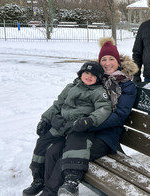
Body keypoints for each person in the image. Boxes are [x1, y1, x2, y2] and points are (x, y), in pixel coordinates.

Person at [35, 37, 139, 196]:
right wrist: (53, 118)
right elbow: (69, 99)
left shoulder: (126, 85)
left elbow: (119, 116)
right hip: (78, 131)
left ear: (119, 61)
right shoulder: (93, 77)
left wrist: (87, 123)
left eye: (111, 59)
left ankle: (49, 193)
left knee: (65, 157)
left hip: (104, 135)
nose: (107, 63)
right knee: (52, 151)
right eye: (103, 59)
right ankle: (47, 188)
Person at [23, 61, 112, 196]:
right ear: (81, 74)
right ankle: (38, 179)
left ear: (98, 78)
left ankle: (71, 179)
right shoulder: (71, 87)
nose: (89, 76)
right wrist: (45, 119)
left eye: (93, 75)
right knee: (43, 143)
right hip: (62, 124)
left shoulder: (98, 92)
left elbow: (104, 109)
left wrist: (90, 120)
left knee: (76, 146)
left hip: (79, 126)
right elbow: (58, 105)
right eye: (86, 73)